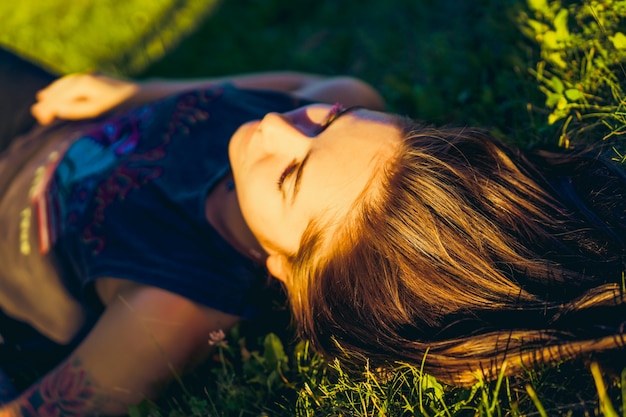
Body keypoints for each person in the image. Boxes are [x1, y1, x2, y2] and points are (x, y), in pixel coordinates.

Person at [0, 44, 624, 415]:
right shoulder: (326, 96)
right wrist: (136, 92)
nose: (277, 126)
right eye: (333, 120)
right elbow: (291, 89)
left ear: (288, 272)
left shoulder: (176, 303)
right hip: (37, 123)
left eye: (291, 175)